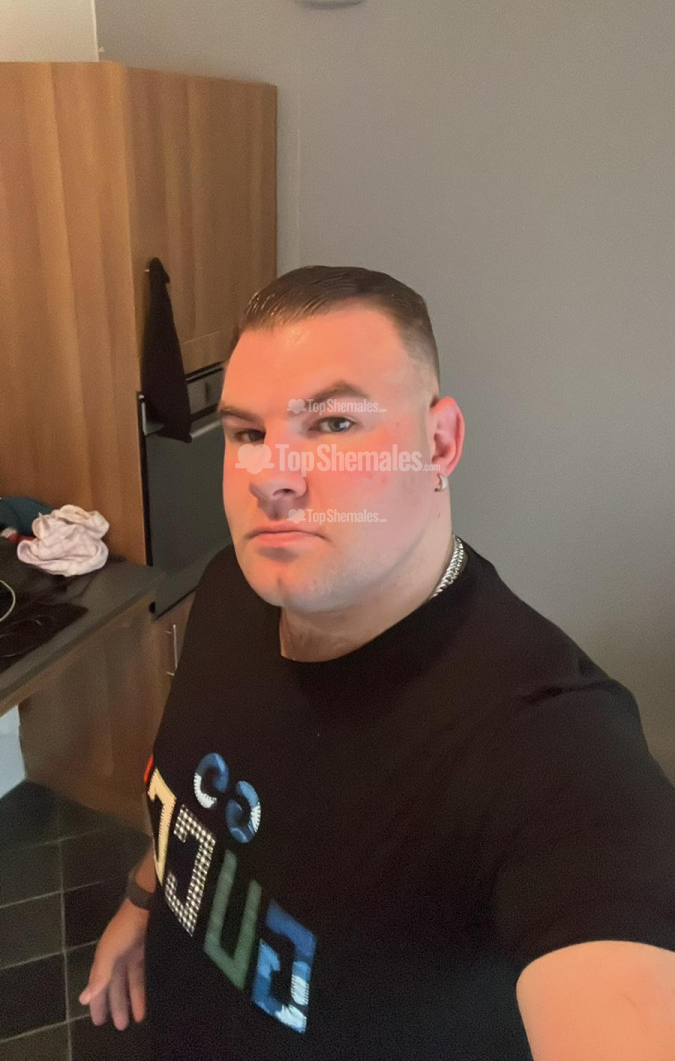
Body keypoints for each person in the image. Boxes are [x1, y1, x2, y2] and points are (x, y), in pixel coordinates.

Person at [79, 266, 675, 1060]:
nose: (270, 478)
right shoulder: (229, 587)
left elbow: (616, 976)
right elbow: (193, 797)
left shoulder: (552, 745)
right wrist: (140, 902)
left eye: (332, 424)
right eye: (247, 433)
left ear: (439, 442)